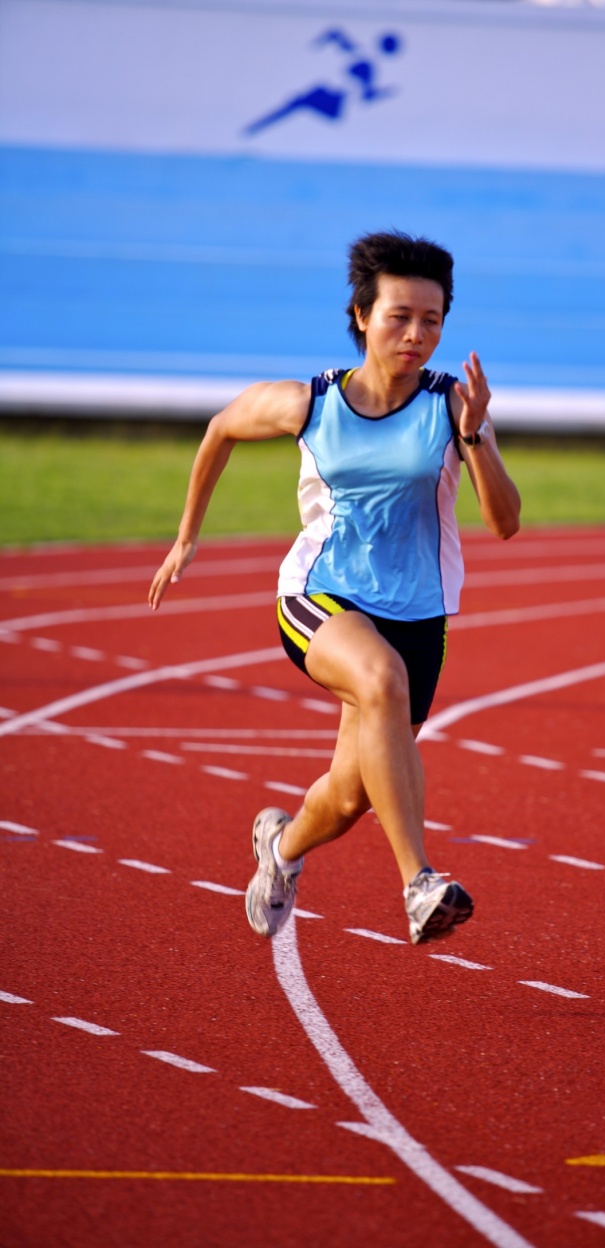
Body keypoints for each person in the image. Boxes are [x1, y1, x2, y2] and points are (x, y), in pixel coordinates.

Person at [148, 230, 521, 944]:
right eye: (399, 316)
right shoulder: (309, 402)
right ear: (361, 316)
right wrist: (187, 534)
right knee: (379, 678)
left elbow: (504, 523)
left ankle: (281, 851)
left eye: (432, 320)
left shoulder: (452, 409)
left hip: (416, 616)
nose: (417, 335)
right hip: (320, 597)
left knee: (349, 798)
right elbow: (221, 428)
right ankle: (420, 882)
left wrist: (475, 439)